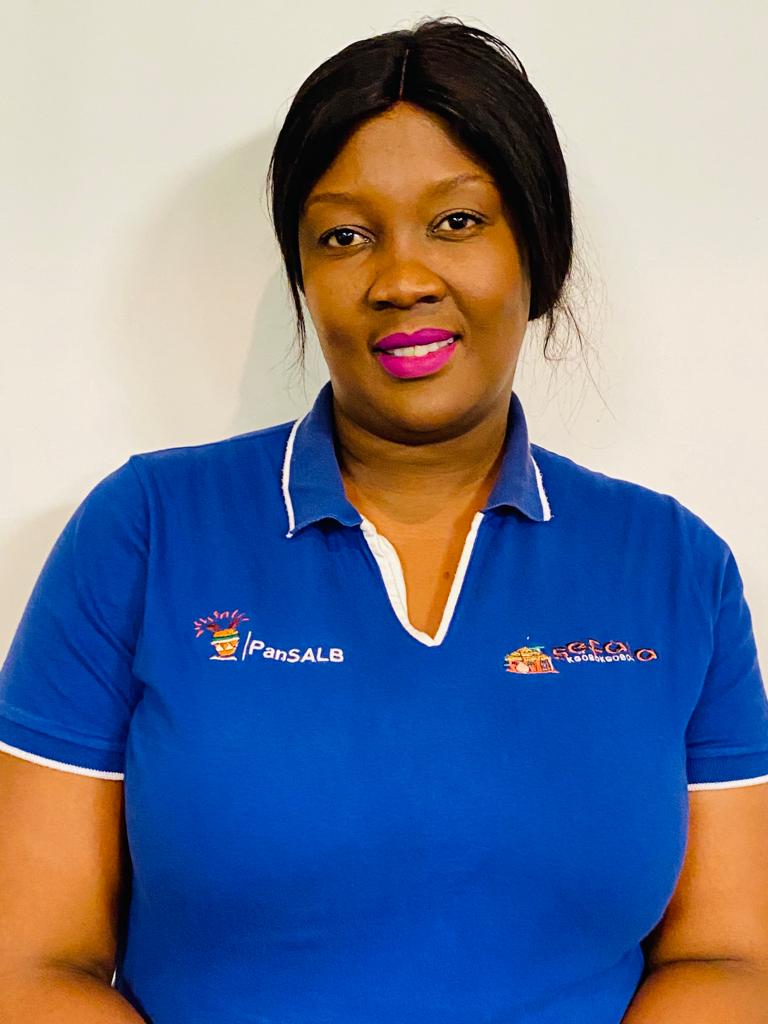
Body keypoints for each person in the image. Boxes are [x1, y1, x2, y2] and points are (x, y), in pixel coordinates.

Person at [1, 16, 767, 1024]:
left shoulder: (675, 569)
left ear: (538, 251)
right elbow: (31, 963)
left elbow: (727, 955)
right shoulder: (144, 532)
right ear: (304, 278)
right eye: (345, 236)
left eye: (457, 221)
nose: (402, 279)